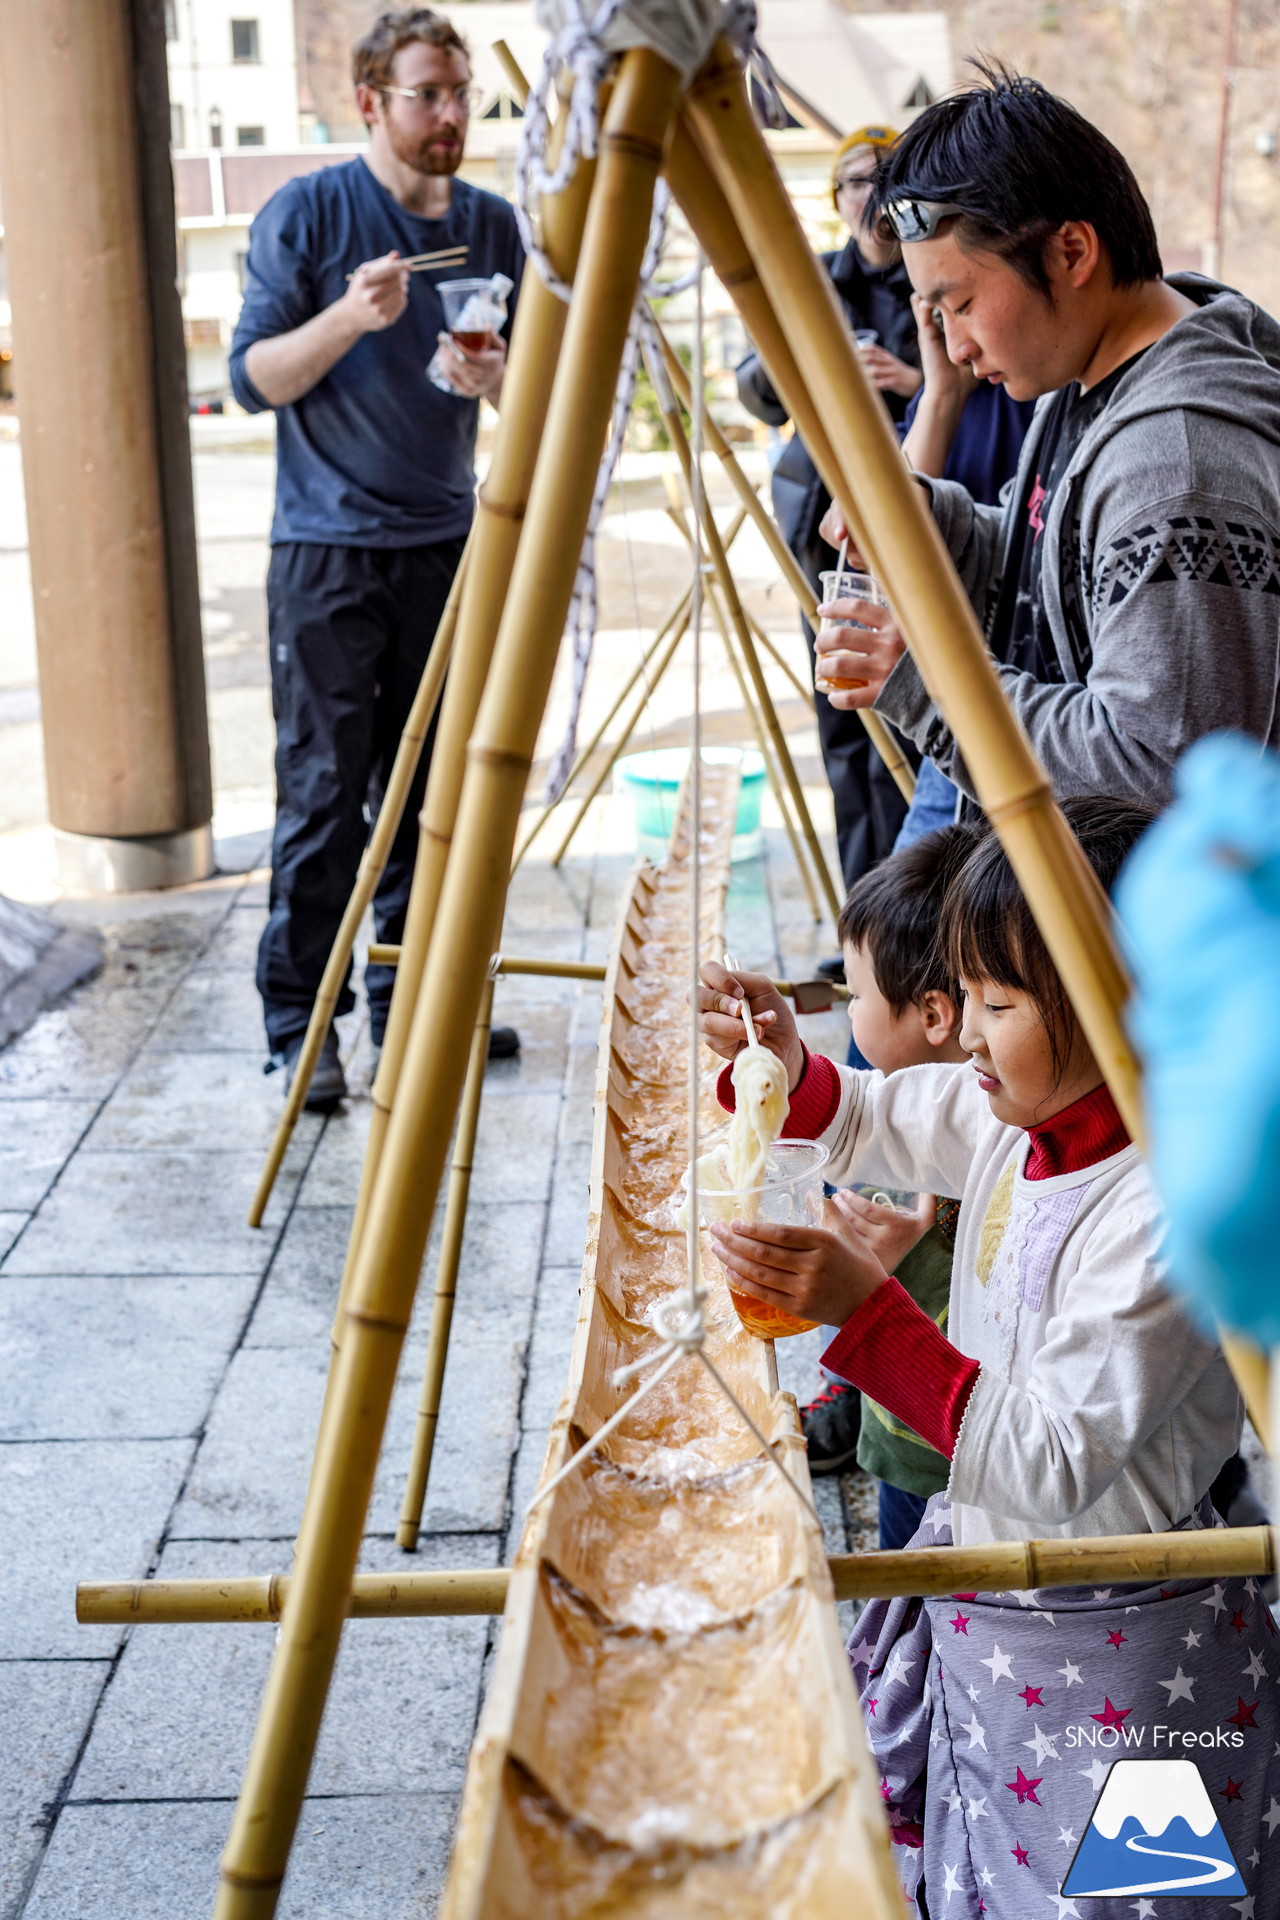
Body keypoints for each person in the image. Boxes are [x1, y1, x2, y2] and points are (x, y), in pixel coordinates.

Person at [698, 800, 1269, 1920]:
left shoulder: (1161, 1204)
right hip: (1015, 1605)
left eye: (994, 1005)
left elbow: (1054, 1460)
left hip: (1130, 1643)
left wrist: (869, 1320)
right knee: (1008, 1873)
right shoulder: (1016, 1116)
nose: (959, 1035)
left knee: (1132, 1896)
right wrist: (783, 1063)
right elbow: (869, 1110)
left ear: (1124, 1011)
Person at [815, 65, 1280, 809]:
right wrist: (930, 520)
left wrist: (934, 687)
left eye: (960, 303)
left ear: (1071, 252)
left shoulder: (1176, 463)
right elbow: (1065, 571)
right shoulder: (1091, 378)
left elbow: (1157, 773)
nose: (955, 348)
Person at [229, 7, 523, 1109]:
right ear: (370, 102)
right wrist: (350, 319)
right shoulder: (307, 215)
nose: (451, 114)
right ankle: (301, 1032)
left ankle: (415, 1011)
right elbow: (255, 378)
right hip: (325, 550)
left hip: (446, 540)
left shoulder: (492, 226)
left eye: (460, 94)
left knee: (434, 798)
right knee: (323, 797)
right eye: (427, 95)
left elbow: (525, 389)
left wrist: (488, 377)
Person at [737, 126, 923, 893]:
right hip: (826, 531)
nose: (869, 193)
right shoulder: (810, 279)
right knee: (844, 730)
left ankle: (920, 908)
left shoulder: (933, 272)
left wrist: (914, 382)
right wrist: (814, 366)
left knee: (915, 718)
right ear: (837, 199)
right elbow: (752, 384)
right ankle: (864, 918)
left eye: (885, 177)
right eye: (853, 180)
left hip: (922, 524)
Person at [799, 829, 974, 1559]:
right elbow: (859, 1112)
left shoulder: (986, 1133)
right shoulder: (928, 1111)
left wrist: (880, 1282)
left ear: (934, 1014)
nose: (847, 1007)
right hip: (905, 1430)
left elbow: (977, 1314)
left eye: (857, 993)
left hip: (956, 1456)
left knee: (930, 1596)